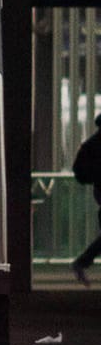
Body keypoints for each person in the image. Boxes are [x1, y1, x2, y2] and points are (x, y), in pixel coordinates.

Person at [72, 115, 101, 286]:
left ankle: (82, 262)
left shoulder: (91, 145)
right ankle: (82, 262)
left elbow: (80, 172)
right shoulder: (94, 146)